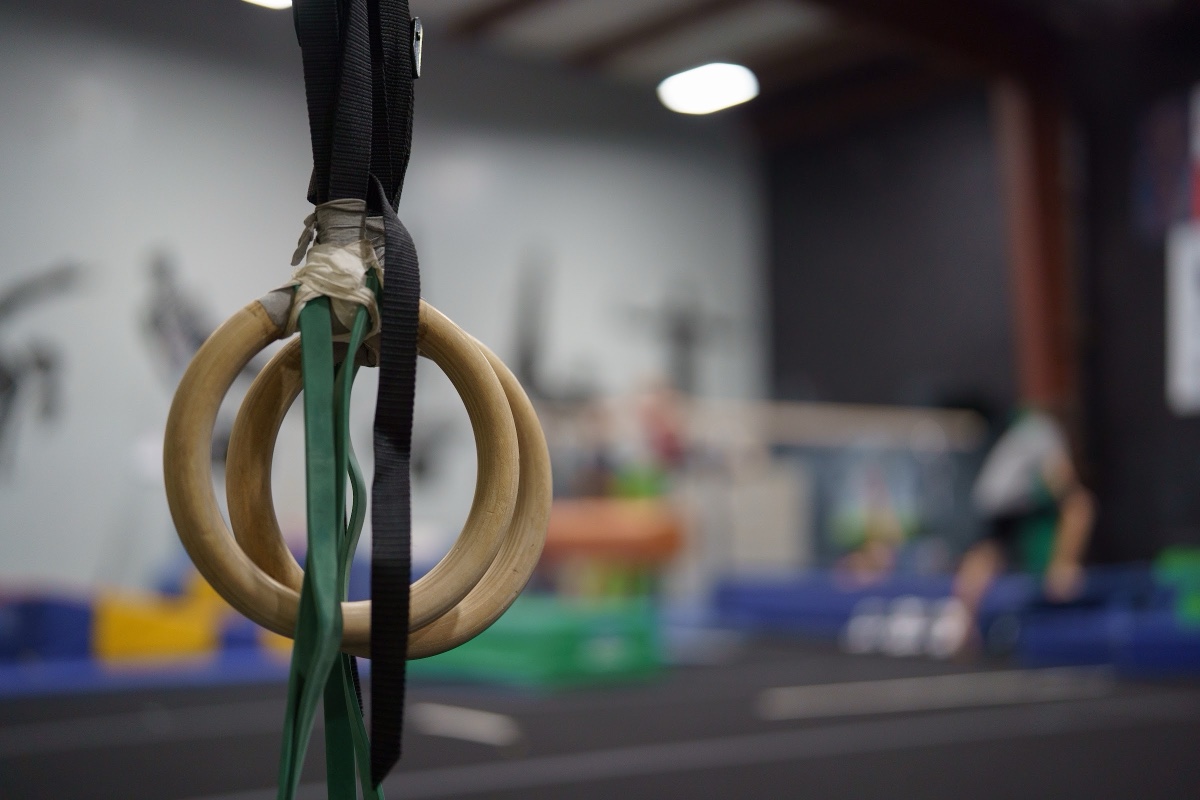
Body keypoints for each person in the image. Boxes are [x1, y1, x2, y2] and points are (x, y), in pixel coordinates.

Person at [951, 407, 1096, 651]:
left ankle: (963, 622)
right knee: (1080, 505)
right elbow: (1062, 480)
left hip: (994, 498)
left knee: (988, 550)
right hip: (1006, 499)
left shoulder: (1029, 429)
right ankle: (1063, 571)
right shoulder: (1046, 430)